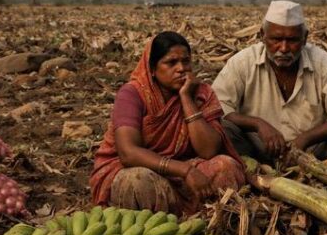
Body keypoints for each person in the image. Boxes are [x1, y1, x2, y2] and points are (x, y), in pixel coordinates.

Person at [90, 31, 245, 215]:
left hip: (183, 171)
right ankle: (156, 227)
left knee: (225, 166)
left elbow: (208, 151)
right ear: (152, 69)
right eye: (171, 63)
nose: (181, 69)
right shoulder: (132, 94)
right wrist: (184, 170)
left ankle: (201, 218)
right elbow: (128, 153)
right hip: (142, 169)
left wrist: (187, 99)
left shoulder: (201, 93)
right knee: (137, 180)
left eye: (186, 62)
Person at [213, 1, 327, 165]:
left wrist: (304, 139)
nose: (283, 48)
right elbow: (217, 106)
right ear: (262, 35)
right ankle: (252, 170)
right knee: (220, 130)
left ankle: (317, 170)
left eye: (292, 40)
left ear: (305, 38)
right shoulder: (242, 63)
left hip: (312, 151)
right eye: (276, 39)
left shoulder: (324, 65)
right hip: (256, 147)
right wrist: (258, 125)